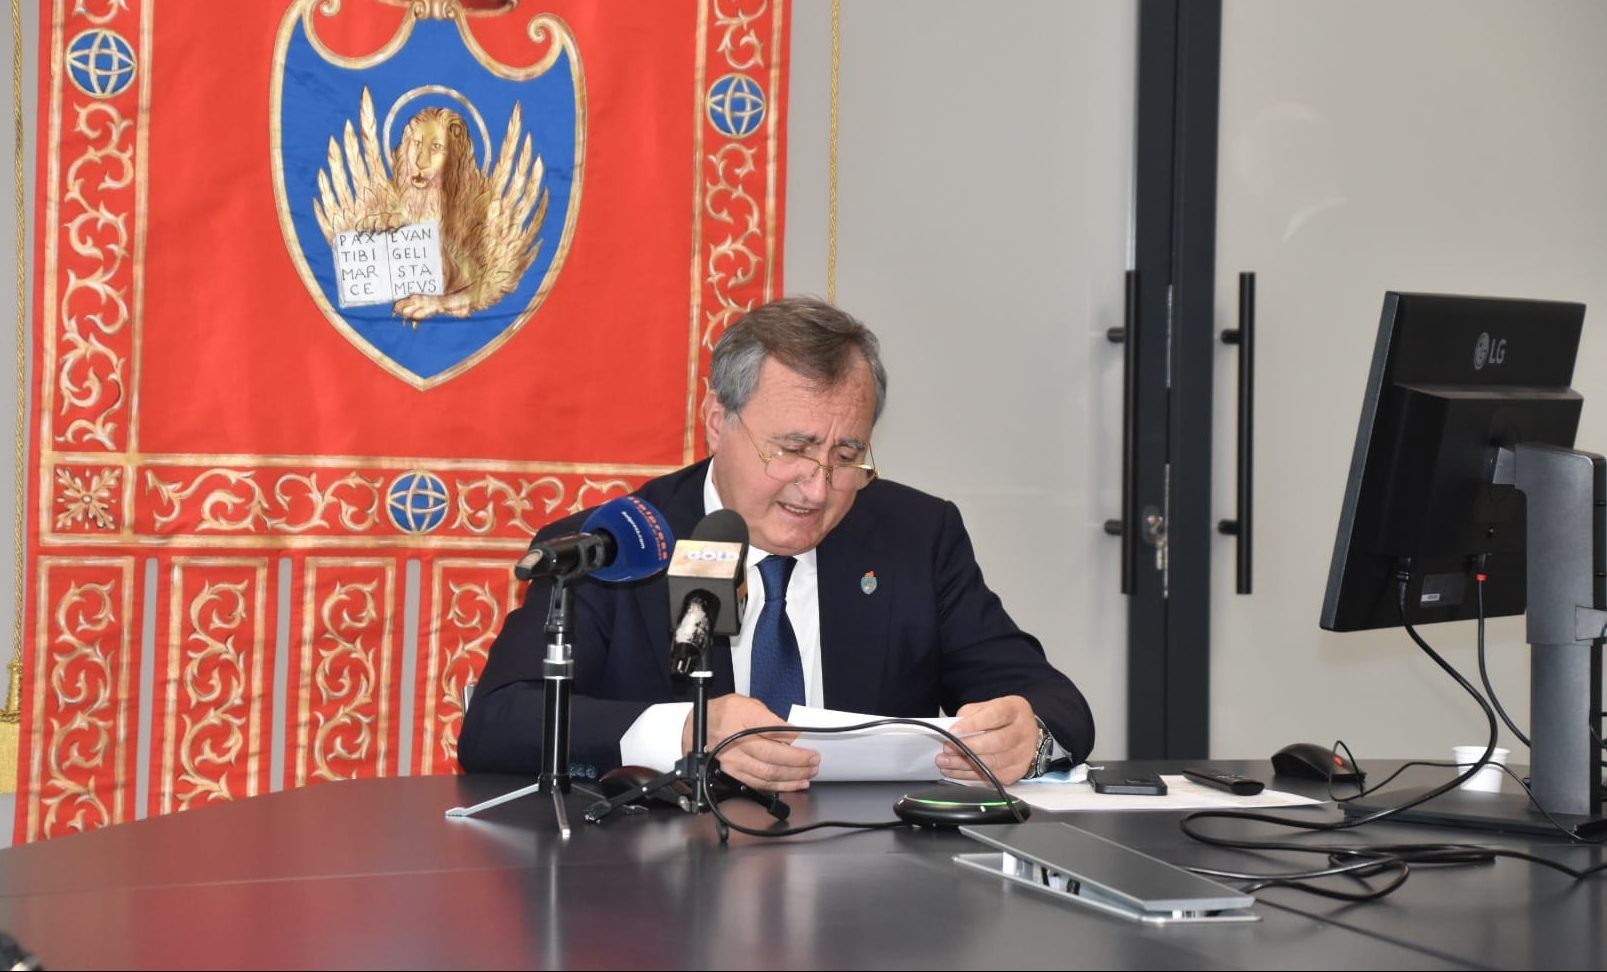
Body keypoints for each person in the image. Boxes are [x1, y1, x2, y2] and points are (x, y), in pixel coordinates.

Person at [458, 297, 1094, 789]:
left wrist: (1028, 737)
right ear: (717, 422)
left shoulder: (917, 537)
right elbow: (498, 725)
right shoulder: (620, 543)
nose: (817, 488)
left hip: (868, 887)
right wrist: (686, 730)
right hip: (664, 887)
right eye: (793, 449)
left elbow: (1055, 702)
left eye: (846, 455)